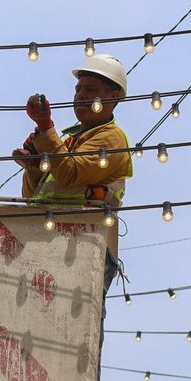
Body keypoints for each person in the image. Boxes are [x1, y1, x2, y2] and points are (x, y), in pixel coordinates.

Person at [14, 52, 132, 299]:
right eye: (78, 89)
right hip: (54, 239)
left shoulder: (111, 138)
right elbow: (34, 198)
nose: (80, 95)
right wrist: (34, 167)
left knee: (78, 317)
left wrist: (46, 128)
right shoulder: (69, 142)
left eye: (90, 89)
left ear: (113, 97)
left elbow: (70, 174)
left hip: (86, 242)